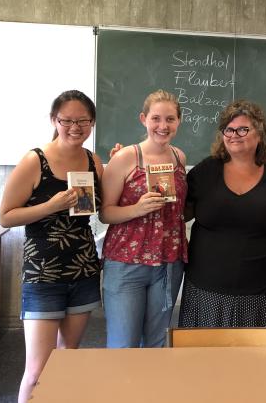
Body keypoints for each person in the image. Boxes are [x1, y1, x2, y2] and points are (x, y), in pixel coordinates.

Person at [0, 90, 103, 403]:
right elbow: (5, 217)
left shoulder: (93, 161)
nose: (75, 126)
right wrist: (50, 205)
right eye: (66, 120)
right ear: (54, 120)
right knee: (37, 369)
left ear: (92, 122)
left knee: (67, 357)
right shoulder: (35, 160)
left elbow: (97, 207)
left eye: (82, 120)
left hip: (83, 268)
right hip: (43, 273)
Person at [178, 100, 266, 345]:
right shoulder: (204, 171)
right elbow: (182, 212)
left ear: (260, 134)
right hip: (207, 287)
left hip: (265, 289)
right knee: (207, 363)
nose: (234, 135)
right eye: (228, 130)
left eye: (243, 129)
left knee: (261, 366)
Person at [100, 90, 188, 348]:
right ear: (143, 119)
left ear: (178, 122)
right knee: (123, 343)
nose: (163, 126)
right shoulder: (125, 157)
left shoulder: (179, 158)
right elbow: (105, 212)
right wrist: (136, 209)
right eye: (156, 118)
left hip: (168, 262)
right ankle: (121, 390)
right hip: (127, 262)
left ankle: (152, 390)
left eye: (170, 119)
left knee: (157, 342)